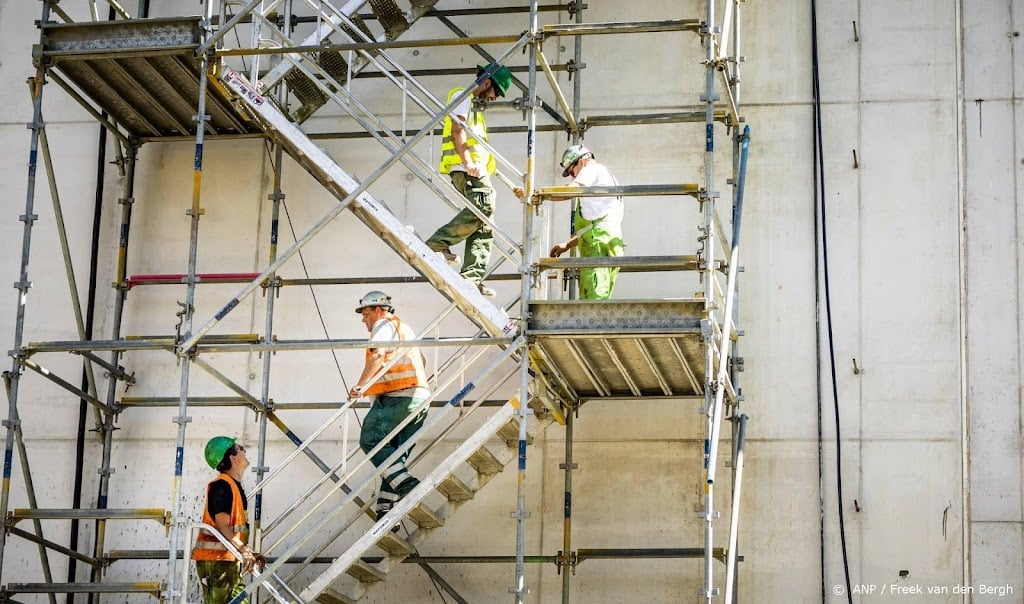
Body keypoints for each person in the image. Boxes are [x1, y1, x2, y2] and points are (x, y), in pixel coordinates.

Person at [425, 63, 514, 298]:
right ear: (486, 83)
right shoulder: (463, 96)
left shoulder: (475, 108)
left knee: (485, 224)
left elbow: (480, 149)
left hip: (475, 171)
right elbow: (457, 130)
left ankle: (472, 278)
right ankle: (437, 242)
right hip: (467, 170)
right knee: (484, 208)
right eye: (496, 92)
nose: (495, 98)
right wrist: (467, 162)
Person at [349, 291, 431, 521]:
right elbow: (422, 361)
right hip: (419, 396)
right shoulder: (403, 329)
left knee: (370, 439)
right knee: (393, 458)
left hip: (399, 397)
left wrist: (360, 387)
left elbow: (378, 355)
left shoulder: (383, 324)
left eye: (365, 314)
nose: (363, 320)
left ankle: (408, 485)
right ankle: (386, 508)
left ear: (378, 310)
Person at [525, 144, 625, 299]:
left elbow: (570, 191)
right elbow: (595, 227)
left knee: (593, 300)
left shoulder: (591, 169)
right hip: (607, 243)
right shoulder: (605, 176)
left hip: (597, 247)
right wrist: (568, 244)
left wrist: (539, 195)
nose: (573, 176)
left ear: (582, 161)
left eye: (572, 171)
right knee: (601, 295)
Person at [192, 436, 264, 604]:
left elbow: (233, 529)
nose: (245, 451)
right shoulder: (222, 486)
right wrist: (244, 550)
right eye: (240, 448)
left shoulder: (233, 486)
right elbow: (223, 527)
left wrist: (246, 551)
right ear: (232, 457)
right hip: (216, 562)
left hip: (228, 561)